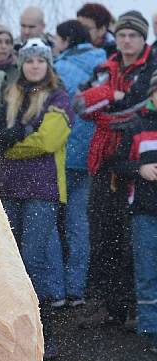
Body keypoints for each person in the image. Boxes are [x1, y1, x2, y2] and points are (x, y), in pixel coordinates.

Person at [74, 10, 157, 329]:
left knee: (136, 238)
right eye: (121, 34)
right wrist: (110, 94)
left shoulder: (151, 67)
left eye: (133, 35)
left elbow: (139, 107)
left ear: (143, 37)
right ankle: (113, 308)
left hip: (140, 157)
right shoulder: (105, 67)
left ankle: (139, 309)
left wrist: (109, 109)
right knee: (103, 234)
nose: (126, 40)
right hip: (105, 160)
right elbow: (81, 105)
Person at [0, 38, 73, 358]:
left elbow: (48, 140)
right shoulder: (11, 94)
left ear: (48, 64)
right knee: (8, 262)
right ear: (22, 64)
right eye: (29, 60)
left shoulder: (59, 97)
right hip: (10, 186)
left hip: (42, 189)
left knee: (33, 261)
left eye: (41, 60)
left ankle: (42, 333)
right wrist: (5, 141)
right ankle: (9, 331)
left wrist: (12, 146)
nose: (35, 65)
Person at [53, 20, 107, 306]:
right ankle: (77, 289)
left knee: (49, 224)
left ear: (66, 40)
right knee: (79, 226)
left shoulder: (59, 68)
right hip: (89, 156)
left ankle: (56, 290)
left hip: (61, 154)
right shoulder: (103, 64)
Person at [114, 76, 157, 351]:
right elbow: (116, 162)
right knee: (147, 270)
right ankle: (150, 328)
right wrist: (138, 170)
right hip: (144, 211)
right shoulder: (137, 125)